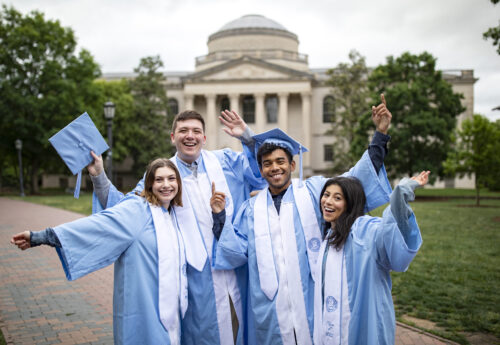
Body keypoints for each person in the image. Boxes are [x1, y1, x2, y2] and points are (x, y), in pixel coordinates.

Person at [212, 96, 394, 344]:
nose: (274, 168)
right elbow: (236, 251)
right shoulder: (250, 209)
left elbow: (355, 182)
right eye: (267, 164)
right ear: (261, 169)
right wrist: (220, 216)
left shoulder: (314, 192)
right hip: (269, 307)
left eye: (280, 162)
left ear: (292, 164)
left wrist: (380, 136)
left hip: (313, 298)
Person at [88, 110, 267, 345]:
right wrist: (99, 175)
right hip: (195, 277)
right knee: (201, 335)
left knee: (243, 331)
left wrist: (247, 137)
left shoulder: (225, 161)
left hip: (236, 268)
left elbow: (262, 170)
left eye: (196, 131)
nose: (190, 136)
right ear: (173, 137)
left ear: (204, 138)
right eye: (183, 131)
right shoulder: (163, 176)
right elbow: (126, 208)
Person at [11, 158, 188, 345]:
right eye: (159, 180)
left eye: (171, 179)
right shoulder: (138, 209)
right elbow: (95, 227)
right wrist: (41, 237)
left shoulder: (173, 214)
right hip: (144, 304)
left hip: (171, 306)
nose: (166, 185)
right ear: (149, 184)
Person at [313, 171, 429, 345]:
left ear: (350, 204)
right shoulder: (328, 237)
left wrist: (401, 195)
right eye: (326, 195)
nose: (328, 201)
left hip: (358, 328)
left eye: (337, 198)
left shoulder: (363, 232)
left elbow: (388, 231)